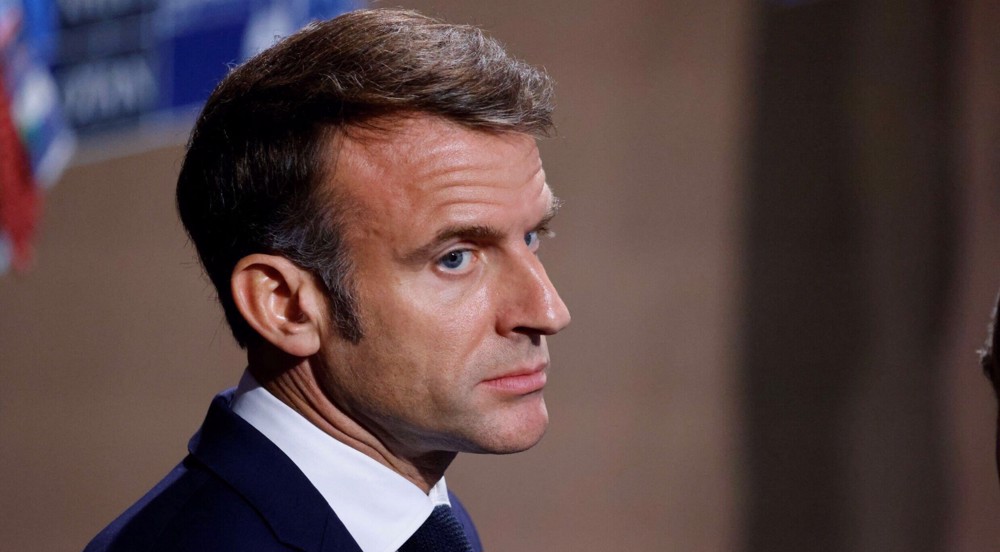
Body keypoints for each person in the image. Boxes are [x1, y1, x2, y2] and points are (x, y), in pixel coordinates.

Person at [85, 8, 571, 551]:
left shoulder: (424, 520)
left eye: (531, 236)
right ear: (285, 304)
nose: (548, 311)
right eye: (455, 258)